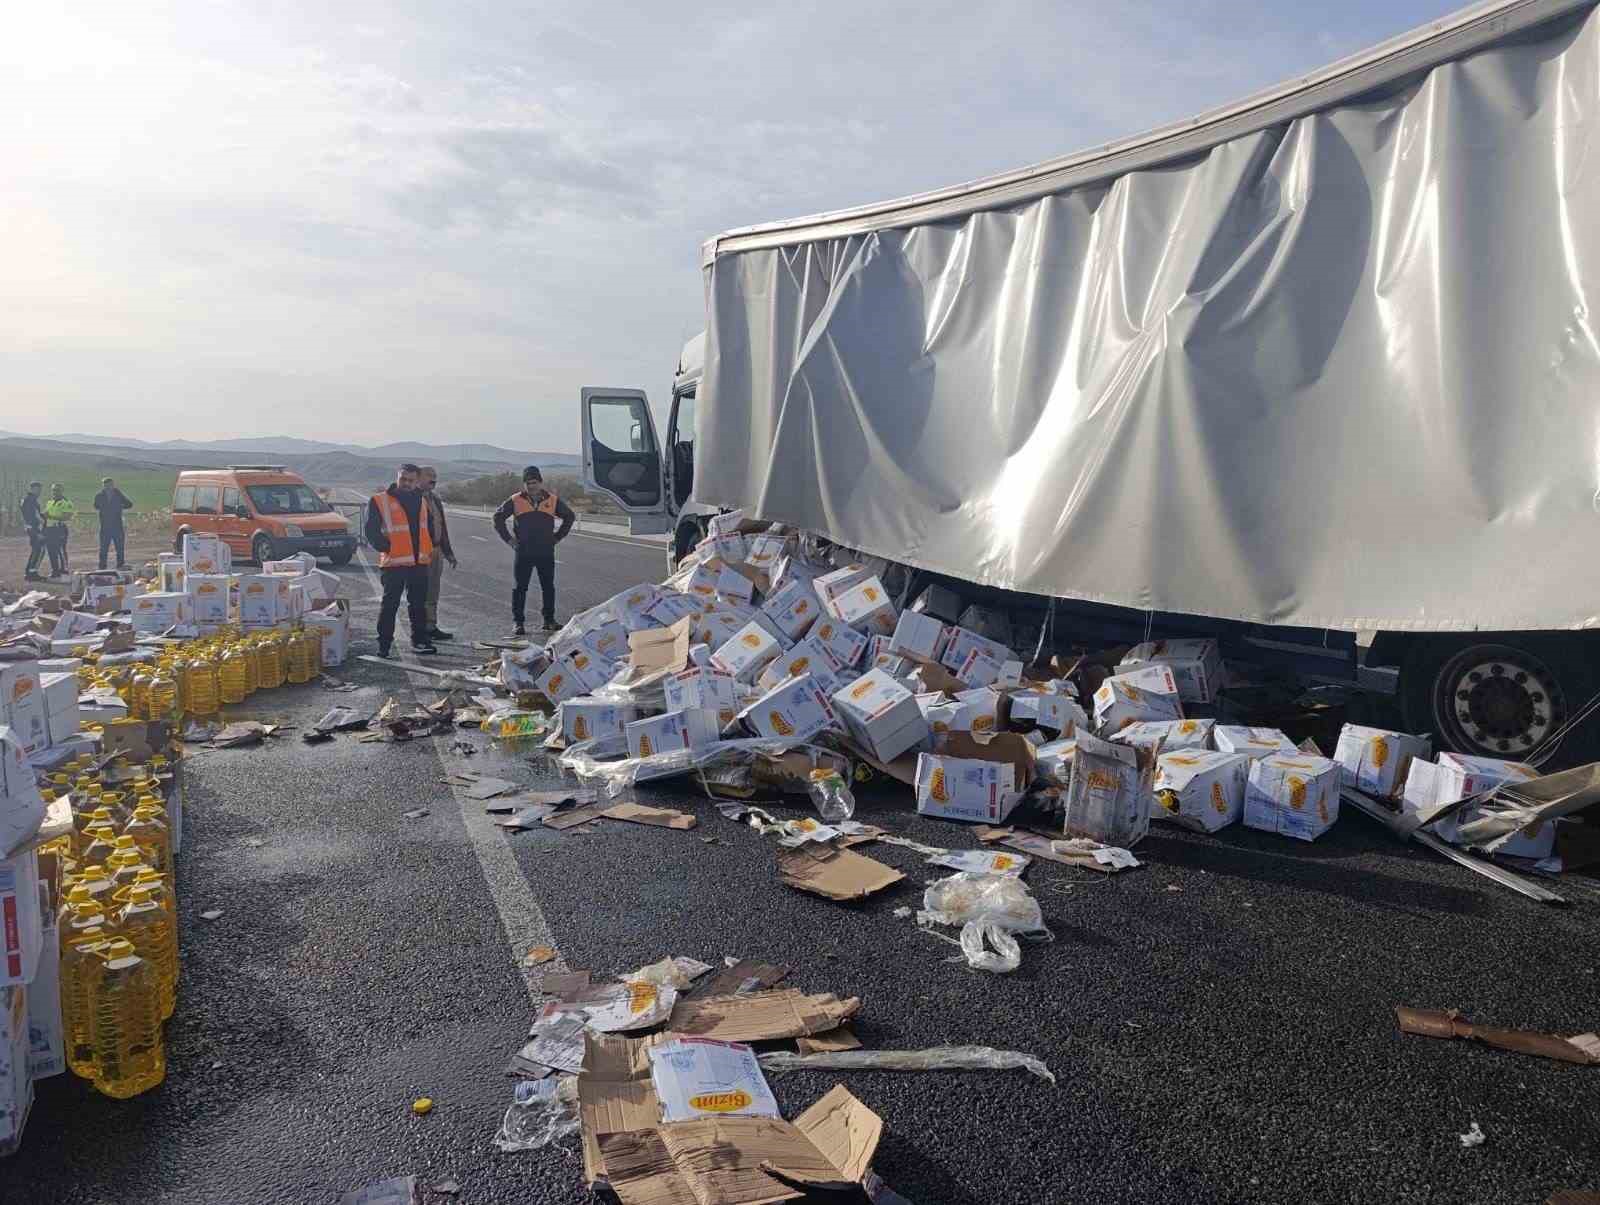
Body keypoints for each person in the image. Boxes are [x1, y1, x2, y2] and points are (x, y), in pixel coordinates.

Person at [363, 464, 438, 658]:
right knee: (390, 605)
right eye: (403, 479)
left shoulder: (421, 501)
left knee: (418, 605)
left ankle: (419, 640)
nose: (406, 483)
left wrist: (427, 549)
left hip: (418, 562)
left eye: (410, 480)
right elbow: (370, 530)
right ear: (397, 478)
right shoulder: (379, 500)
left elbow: (428, 527)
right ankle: (384, 645)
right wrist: (386, 547)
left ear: (416, 481)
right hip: (394, 563)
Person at [493, 465, 575, 636]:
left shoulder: (551, 500)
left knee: (548, 587)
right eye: (528, 483)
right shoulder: (516, 500)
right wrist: (509, 540)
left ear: (540, 482)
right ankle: (518, 623)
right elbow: (498, 517)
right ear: (524, 484)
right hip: (523, 551)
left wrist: (557, 537)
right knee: (520, 588)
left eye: (534, 482)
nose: (531, 486)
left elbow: (569, 516)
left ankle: (549, 621)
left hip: (545, 551)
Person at [417, 466, 458, 642]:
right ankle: (419, 629)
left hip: (436, 551)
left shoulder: (435, 499)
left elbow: (442, 527)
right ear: (418, 478)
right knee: (420, 592)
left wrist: (448, 553)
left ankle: (430, 626)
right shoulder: (413, 498)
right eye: (429, 476)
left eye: (435, 476)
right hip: (419, 553)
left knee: (433, 592)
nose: (433, 479)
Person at [93, 476, 134, 570]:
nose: (108, 486)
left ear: (113, 485)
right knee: (103, 549)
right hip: (105, 526)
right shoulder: (99, 495)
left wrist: (119, 507)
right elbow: (95, 506)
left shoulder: (118, 494)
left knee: (119, 548)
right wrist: (105, 510)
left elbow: (129, 504)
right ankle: (102, 567)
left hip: (117, 526)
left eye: (109, 484)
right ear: (103, 485)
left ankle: (120, 565)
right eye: (105, 484)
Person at [42, 484, 74, 578]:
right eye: (53, 490)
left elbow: (67, 517)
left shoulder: (66, 502)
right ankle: (55, 570)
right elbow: (46, 514)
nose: (55, 492)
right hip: (49, 528)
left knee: (60, 550)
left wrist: (50, 516)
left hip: (60, 528)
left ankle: (64, 570)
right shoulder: (49, 502)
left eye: (57, 490)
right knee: (51, 551)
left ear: (61, 491)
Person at [21, 482, 46, 582]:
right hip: (33, 528)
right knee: (39, 550)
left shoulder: (27, 500)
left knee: (36, 550)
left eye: (40, 490)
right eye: (37, 489)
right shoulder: (31, 500)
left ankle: (29, 571)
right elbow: (33, 517)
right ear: (32, 489)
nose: (39, 492)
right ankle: (32, 573)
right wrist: (37, 531)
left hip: (30, 527)